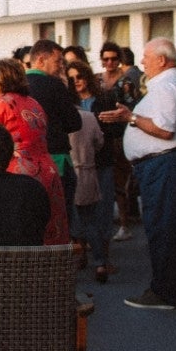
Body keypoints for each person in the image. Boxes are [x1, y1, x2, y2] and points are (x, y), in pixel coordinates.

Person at [99, 38, 176, 310]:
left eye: (146, 56)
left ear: (162, 60)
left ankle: (163, 292)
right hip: (174, 163)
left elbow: (164, 129)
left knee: (163, 227)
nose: (142, 62)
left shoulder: (167, 85)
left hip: (165, 164)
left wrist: (130, 119)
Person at [0, 58, 69, 245]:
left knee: (20, 235)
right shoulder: (33, 103)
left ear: (2, 81)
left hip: (18, 172)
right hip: (47, 170)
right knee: (49, 230)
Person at [26, 39, 82, 232]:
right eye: (58, 61)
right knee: (60, 218)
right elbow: (74, 122)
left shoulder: (17, 87)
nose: (61, 67)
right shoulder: (54, 85)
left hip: (25, 165)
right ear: (41, 60)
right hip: (57, 162)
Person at [68, 59, 115, 282]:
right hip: (87, 168)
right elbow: (99, 141)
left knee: (93, 215)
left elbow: (107, 139)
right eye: (72, 78)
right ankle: (95, 260)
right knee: (89, 217)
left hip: (96, 166)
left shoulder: (102, 101)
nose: (76, 82)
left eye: (79, 77)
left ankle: (97, 258)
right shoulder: (78, 112)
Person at [98, 40, 141, 241]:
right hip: (100, 134)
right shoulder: (97, 80)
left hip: (120, 135)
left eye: (114, 59)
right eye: (106, 59)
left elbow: (134, 108)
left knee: (119, 181)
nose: (109, 62)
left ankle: (124, 224)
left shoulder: (126, 82)